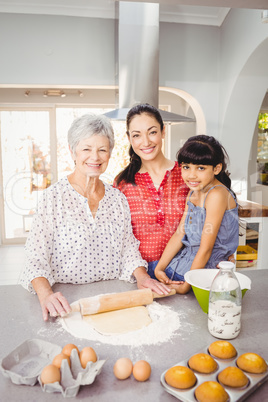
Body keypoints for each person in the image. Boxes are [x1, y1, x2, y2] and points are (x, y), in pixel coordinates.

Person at [20, 114, 171, 321]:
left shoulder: (117, 199)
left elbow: (128, 247)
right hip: (67, 302)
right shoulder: (52, 198)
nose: (95, 157)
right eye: (86, 149)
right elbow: (34, 257)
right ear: (73, 152)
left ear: (109, 154)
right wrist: (46, 295)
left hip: (114, 298)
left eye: (102, 150)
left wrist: (142, 277)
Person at [151, 135, 239, 294]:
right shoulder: (194, 192)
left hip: (204, 278)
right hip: (179, 269)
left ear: (216, 169)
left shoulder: (217, 195)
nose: (191, 175)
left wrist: (185, 286)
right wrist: (159, 269)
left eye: (200, 168)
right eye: (186, 167)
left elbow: (206, 248)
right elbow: (179, 234)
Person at [114, 103, 189, 270]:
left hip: (184, 271)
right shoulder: (122, 183)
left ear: (163, 131)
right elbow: (118, 237)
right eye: (137, 135)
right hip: (138, 274)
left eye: (152, 132)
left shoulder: (187, 174)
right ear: (129, 138)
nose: (145, 142)